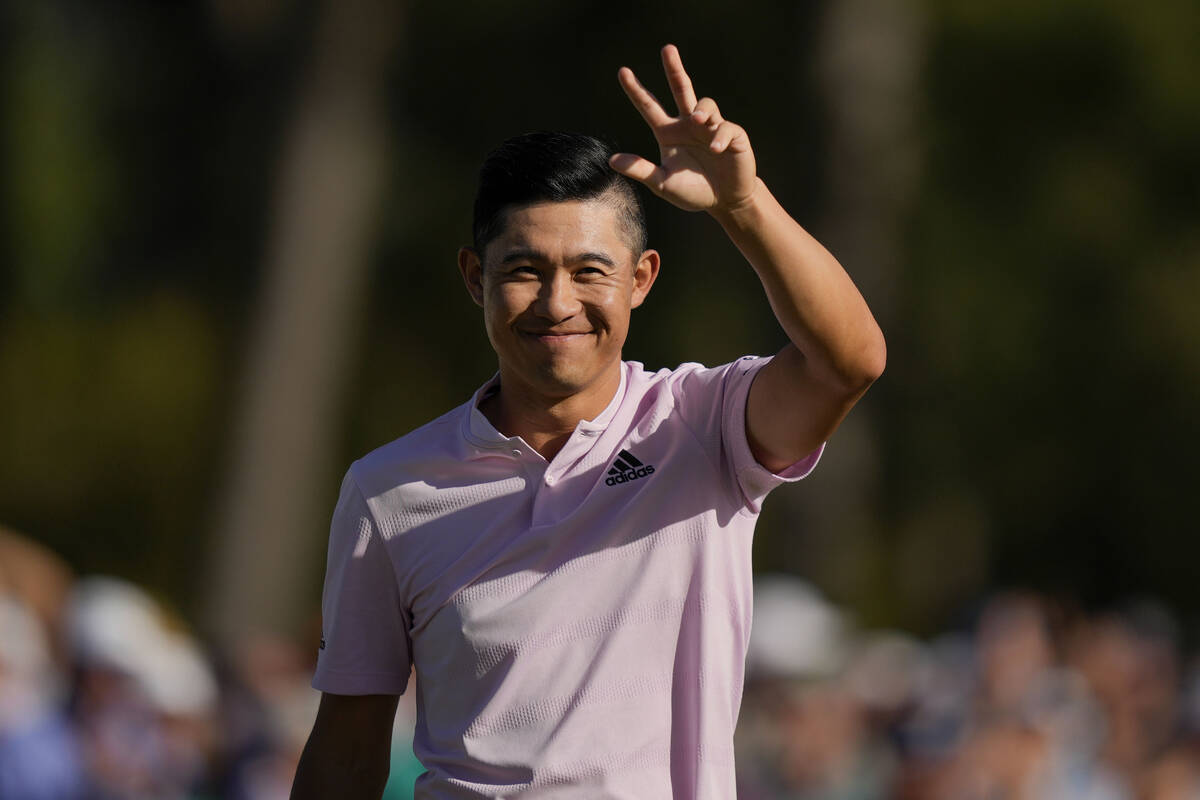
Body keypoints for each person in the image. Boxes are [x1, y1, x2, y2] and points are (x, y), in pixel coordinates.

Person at [290, 44, 885, 799]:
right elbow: (348, 736)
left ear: (641, 280)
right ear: (477, 279)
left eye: (589, 271)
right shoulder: (388, 490)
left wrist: (744, 205)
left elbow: (849, 362)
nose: (557, 303)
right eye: (524, 270)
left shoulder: (702, 427)